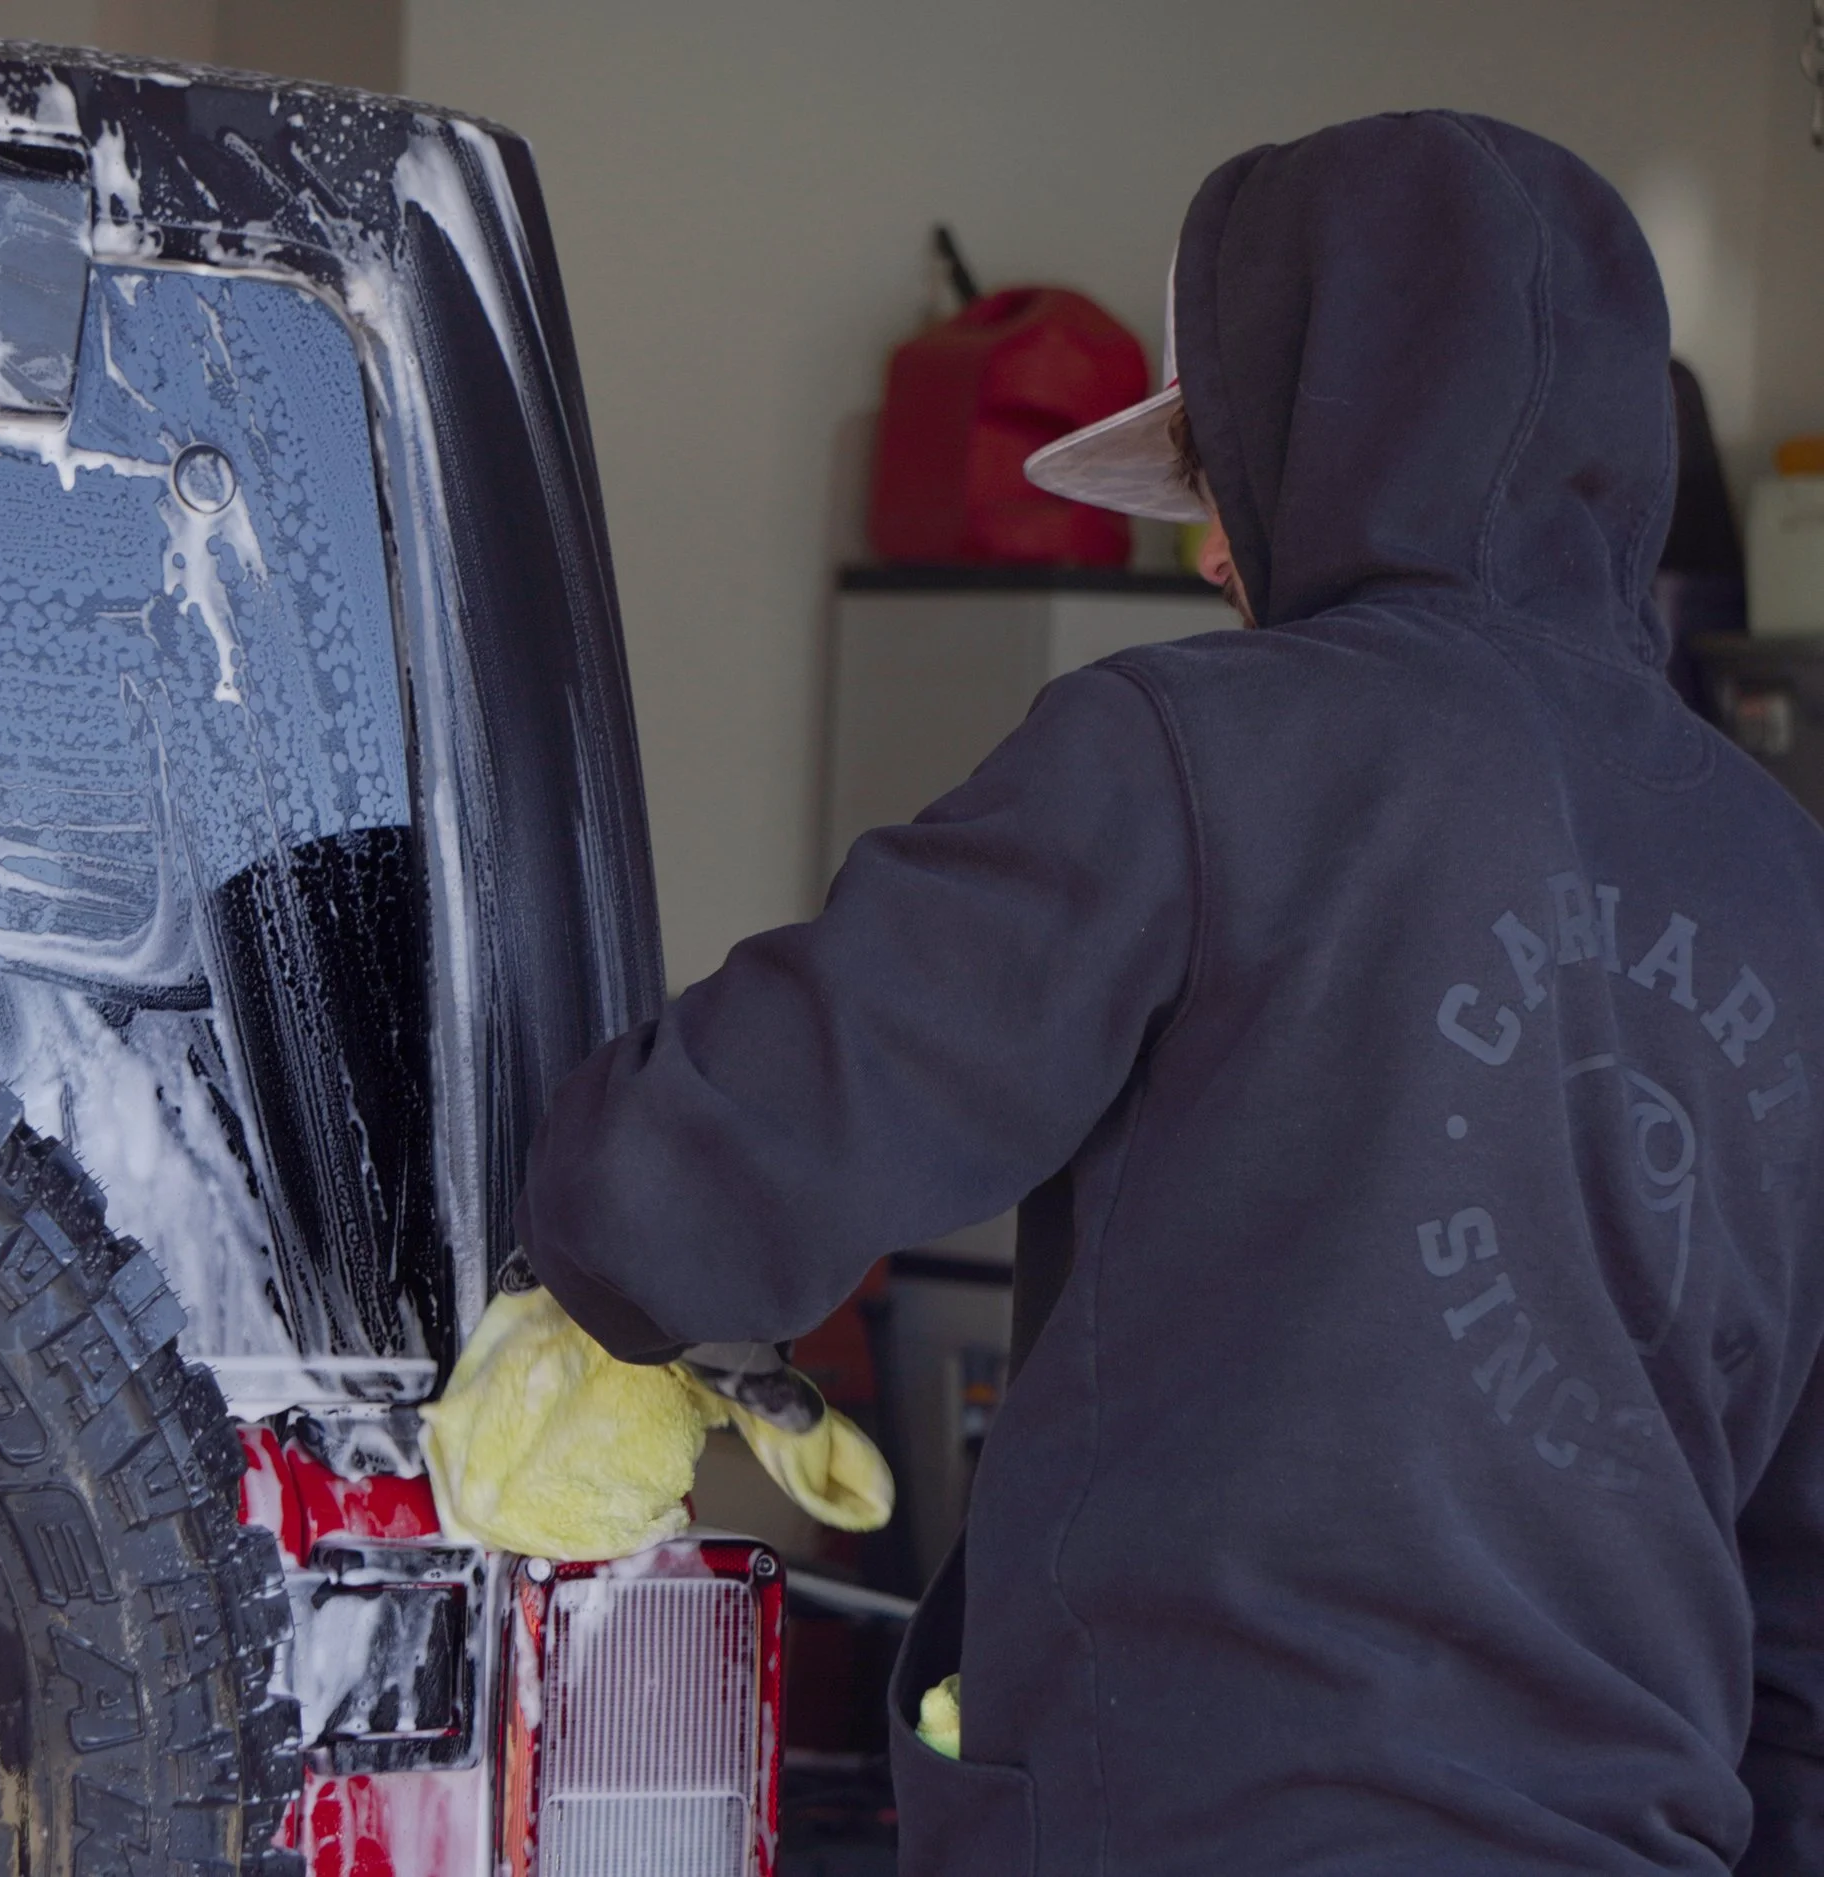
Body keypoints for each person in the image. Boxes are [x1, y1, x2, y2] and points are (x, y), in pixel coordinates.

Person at [514, 111, 1824, 1875]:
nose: (1212, 552)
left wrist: (577, 1249)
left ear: (1330, 449)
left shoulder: (1200, 753)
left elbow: (697, 1180)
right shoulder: (1787, 875)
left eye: (1222, 475)